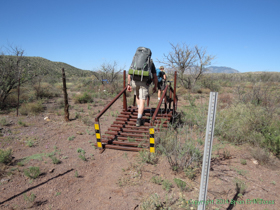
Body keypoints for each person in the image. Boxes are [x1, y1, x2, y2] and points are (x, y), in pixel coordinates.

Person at [127, 60, 158, 127]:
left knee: (137, 96)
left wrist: (128, 84)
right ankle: (139, 119)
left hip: (134, 82)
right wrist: (155, 86)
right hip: (144, 83)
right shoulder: (150, 62)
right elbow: (155, 76)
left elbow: (129, 74)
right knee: (142, 100)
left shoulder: (135, 61)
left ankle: (139, 111)